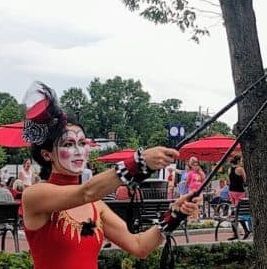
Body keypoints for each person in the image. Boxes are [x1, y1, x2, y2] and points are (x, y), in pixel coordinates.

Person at [20, 81, 198, 269]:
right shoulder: (35, 195)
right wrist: (138, 162)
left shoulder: (96, 205)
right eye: (68, 144)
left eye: (82, 143)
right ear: (46, 154)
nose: (79, 151)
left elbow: (139, 246)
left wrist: (174, 215)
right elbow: (85, 192)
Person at [228, 154, 250, 240]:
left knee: (234, 212)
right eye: (241, 161)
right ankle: (245, 230)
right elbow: (245, 180)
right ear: (238, 161)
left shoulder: (230, 169)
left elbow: (229, 181)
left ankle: (235, 233)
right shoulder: (240, 169)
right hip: (240, 192)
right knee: (239, 213)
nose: (241, 162)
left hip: (231, 192)